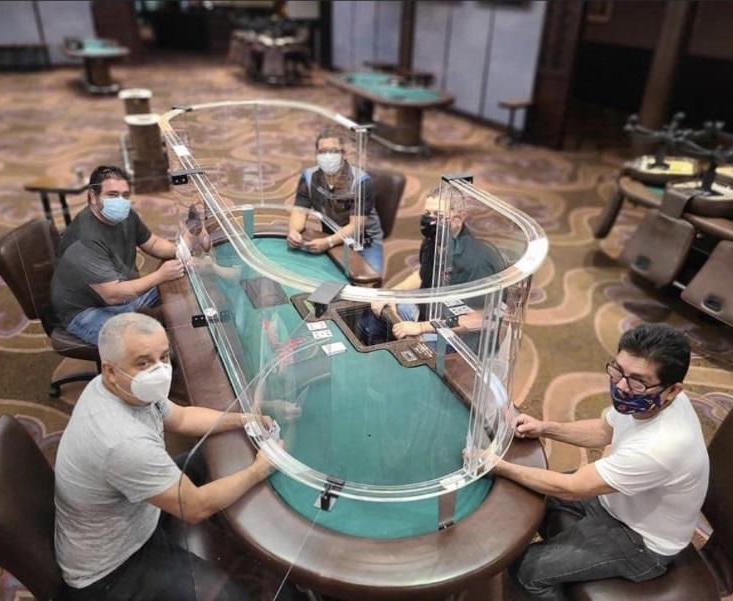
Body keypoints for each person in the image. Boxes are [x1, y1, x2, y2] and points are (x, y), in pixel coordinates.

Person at [54, 312, 278, 600]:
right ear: (110, 370)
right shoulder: (123, 442)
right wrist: (259, 470)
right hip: (114, 567)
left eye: (163, 357)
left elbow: (181, 418)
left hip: (136, 508)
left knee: (213, 458)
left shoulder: (122, 388)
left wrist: (245, 419)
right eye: (143, 362)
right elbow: (195, 508)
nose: (159, 370)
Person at [481, 322, 709, 600]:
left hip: (641, 541)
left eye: (637, 381)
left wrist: (498, 465)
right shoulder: (652, 399)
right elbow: (604, 430)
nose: (622, 386)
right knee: (529, 499)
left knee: (526, 570)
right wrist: (544, 428)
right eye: (618, 371)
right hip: (614, 501)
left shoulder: (662, 445)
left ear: (673, 390)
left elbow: (573, 488)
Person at [51, 165, 184, 346]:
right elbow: (113, 295)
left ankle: (150, 323)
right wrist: (160, 275)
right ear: (93, 196)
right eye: (112, 195)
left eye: (125, 195)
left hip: (124, 294)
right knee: (138, 344)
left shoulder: (126, 216)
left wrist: (182, 249)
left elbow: (153, 243)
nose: (120, 201)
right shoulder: (85, 238)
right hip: (86, 311)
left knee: (182, 286)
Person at [362, 187, 506, 343]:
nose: (430, 220)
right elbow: (422, 275)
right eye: (427, 213)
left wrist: (421, 327)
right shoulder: (433, 239)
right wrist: (392, 293)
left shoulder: (477, 262)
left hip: (459, 336)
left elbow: (477, 320)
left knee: (414, 350)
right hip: (430, 312)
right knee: (374, 317)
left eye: (438, 215)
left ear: (458, 219)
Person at [286, 128, 384, 273]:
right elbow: (300, 211)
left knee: (370, 277)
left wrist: (329, 242)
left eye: (333, 151)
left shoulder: (361, 182)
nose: (327, 156)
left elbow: (356, 227)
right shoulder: (309, 177)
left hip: (364, 241)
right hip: (330, 234)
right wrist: (293, 231)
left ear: (344, 154)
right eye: (322, 152)